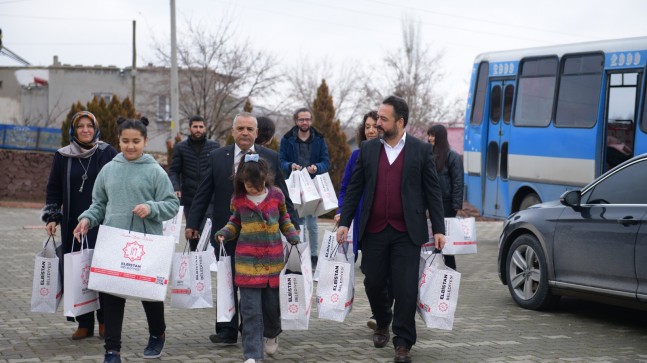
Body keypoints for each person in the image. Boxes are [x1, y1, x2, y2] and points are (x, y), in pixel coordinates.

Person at [336, 96, 446, 363]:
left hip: (407, 232)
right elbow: (355, 189)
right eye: (378, 118)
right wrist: (344, 222)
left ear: (400, 121)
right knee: (373, 282)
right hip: (373, 230)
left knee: (406, 288)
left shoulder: (420, 150)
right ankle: (383, 319)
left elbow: (433, 191)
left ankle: (403, 342)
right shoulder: (368, 149)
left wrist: (440, 229)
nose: (378, 123)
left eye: (384, 119)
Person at [186, 112, 300, 345]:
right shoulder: (217, 156)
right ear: (233, 131)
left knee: (260, 285)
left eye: (250, 129)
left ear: (257, 133)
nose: (245, 133)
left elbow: (282, 195)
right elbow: (204, 191)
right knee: (228, 280)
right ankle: (227, 330)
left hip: (261, 236)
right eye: (241, 128)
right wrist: (192, 223)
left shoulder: (270, 157)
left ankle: (260, 329)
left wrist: (294, 227)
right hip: (226, 231)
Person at [73, 117, 180, 363]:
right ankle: (112, 350)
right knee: (111, 296)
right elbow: (98, 204)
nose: (130, 146)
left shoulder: (154, 170)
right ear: (118, 140)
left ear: (144, 141)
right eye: (125, 141)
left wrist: (151, 208)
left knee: (149, 295)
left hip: (147, 244)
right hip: (113, 243)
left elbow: (172, 204)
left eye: (136, 141)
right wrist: (87, 219)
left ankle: (157, 333)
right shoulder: (109, 169)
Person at [215, 151, 300, 363]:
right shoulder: (239, 199)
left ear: (265, 178)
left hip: (272, 262)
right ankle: (252, 355)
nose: (252, 189)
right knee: (250, 311)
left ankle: (272, 333)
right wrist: (225, 232)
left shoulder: (277, 195)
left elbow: (284, 219)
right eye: (247, 184)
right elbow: (235, 222)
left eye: (256, 184)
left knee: (271, 309)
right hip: (247, 263)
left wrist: (292, 235)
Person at [41, 111, 117, 340]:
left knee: (101, 270)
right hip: (73, 222)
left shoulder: (107, 152)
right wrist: (52, 216)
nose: (85, 130)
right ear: (73, 130)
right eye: (80, 126)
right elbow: (53, 187)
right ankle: (84, 323)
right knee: (77, 272)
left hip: (102, 221)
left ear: (96, 128)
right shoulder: (63, 155)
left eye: (89, 126)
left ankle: (105, 321)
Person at [333, 110, 381, 330]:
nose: (371, 130)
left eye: (375, 126)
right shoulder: (357, 155)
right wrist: (343, 212)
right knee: (370, 271)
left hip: (386, 221)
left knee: (388, 272)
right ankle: (379, 310)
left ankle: (382, 315)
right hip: (363, 222)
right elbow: (345, 188)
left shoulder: (390, 154)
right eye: (367, 126)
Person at [279, 107, 330, 265]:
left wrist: (317, 167)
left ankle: (314, 255)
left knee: (312, 224)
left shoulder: (319, 139)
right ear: (296, 121)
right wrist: (290, 166)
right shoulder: (287, 139)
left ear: (311, 120)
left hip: (313, 184)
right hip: (294, 185)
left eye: (307, 119)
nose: (305, 122)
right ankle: (302, 253)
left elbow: (326, 161)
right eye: (301, 119)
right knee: (298, 222)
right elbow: (280, 160)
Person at [168, 115, 220, 250]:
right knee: (192, 232)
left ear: (205, 128)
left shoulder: (214, 146)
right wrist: (176, 187)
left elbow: (219, 171)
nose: (198, 130)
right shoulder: (180, 148)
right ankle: (195, 260)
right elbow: (173, 170)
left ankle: (207, 259)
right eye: (195, 127)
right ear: (189, 128)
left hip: (209, 197)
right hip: (190, 197)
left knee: (205, 227)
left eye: (201, 127)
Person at [427, 124, 464, 270]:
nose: (429, 138)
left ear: (440, 137)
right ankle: (436, 270)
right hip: (432, 203)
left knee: (445, 241)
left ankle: (449, 271)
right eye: (428, 135)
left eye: (433, 135)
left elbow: (458, 181)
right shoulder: (428, 154)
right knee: (434, 239)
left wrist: (456, 204)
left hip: (447, 204)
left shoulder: (451, 155)